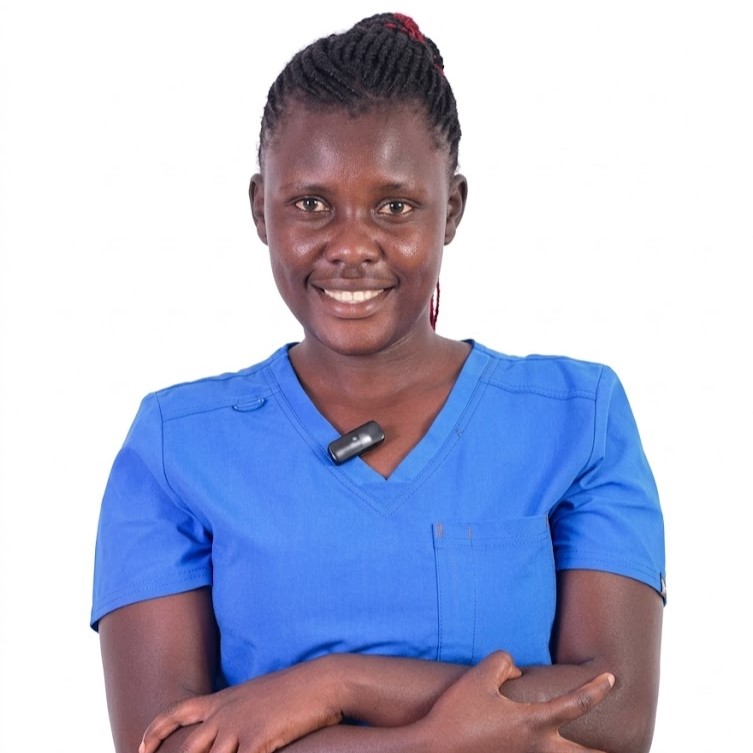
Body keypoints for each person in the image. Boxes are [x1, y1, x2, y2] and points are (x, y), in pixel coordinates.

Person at [91, 12, 665, 753]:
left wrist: (333, 684)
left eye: (394, 206)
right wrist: (433, 740)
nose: (351, 246)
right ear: (260, 209)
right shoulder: (178, 442)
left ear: (451, 208)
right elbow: (164, 744)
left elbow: (616, 715)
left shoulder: (576, 419)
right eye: (311, 204)